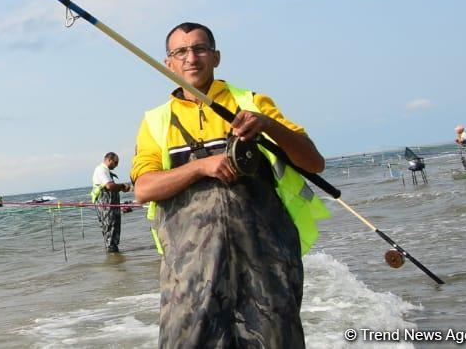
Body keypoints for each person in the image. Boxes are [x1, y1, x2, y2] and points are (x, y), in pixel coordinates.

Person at [132, 22, 328, 349]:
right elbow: (144, 189)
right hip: (191, 275)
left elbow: (313, 163)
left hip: (267, 265)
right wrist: (200, 167)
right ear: (168, 63)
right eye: (180, 52)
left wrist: (268, 125)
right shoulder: (155, 121)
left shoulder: (252, 102)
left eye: (200, 49)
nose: (191, 58)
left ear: (216, 57)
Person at [90, 152, 131, 253]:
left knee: (114, 227)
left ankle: (114, 256)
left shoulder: (106, 170)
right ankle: (112, 253)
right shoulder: (101, 169)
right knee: (110, 227)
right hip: (105, 204)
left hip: (112, 204)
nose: (116, 165)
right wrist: (121, 186)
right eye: (115, 163)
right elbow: (109, 186)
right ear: (109, 160)